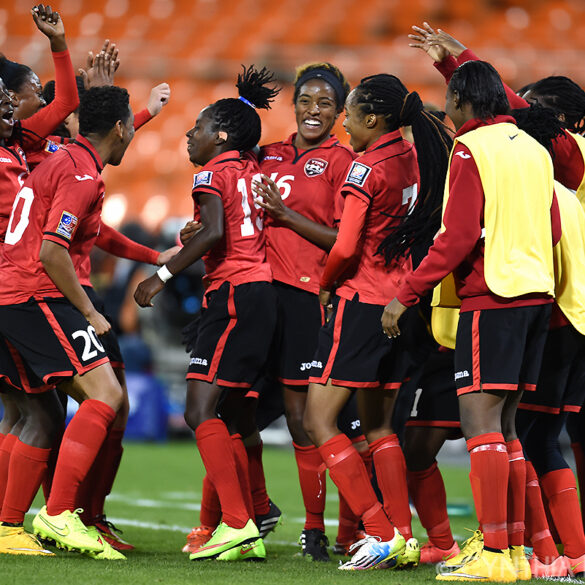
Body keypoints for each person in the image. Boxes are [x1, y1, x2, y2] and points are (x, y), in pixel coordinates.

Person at [383, 60, 560, 583]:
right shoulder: (533, 147)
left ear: (461, 101)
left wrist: (407, 293)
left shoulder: (471, 148)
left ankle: (495, 553)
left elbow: (456, 236)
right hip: (537, 296)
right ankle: (513, 554)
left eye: (451, 102)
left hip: (494, 297)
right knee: (507, 427)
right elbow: (549, 228)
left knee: (481, 424)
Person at [301, 73, 451, 571]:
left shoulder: (366, 168)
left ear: (372, 118)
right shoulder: (416, 156)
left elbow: (345, 246)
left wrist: (325, 284)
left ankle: (380, 528)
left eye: (348, 113)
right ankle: (404, 536)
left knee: (317, 420)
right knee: (381, 424)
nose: (343, 123)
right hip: (403, 304)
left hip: (362, 302)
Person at [134, 65, 280, 562]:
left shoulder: (211, 172)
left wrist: (163, 276)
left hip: (235, 294)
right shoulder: (252, 169)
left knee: (199, 410)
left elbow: (217, 232)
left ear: (219, 135)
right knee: (237, 414)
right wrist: (190, 241)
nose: (187, 136)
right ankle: (254, 511)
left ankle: (237, 524)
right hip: (261, 293)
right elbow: (222, 230)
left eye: (196, 128)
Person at [0, 85, 136, 561]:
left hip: (10, 292)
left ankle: (8, 526)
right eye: (133, 125)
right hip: (34, 292)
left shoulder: (57, 161)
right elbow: (52, 252)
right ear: (121, 129)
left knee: (36, 413)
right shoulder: (81, 171)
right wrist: (89, 311)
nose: (135, 133)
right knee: (107, 395)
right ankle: (60, 514)